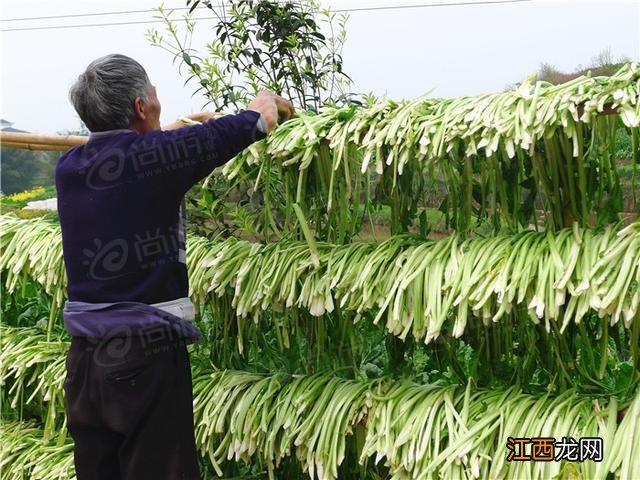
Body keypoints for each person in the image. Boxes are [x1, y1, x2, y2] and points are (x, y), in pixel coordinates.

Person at [56, 53, 294, 480]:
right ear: (140, 107)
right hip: (141, 362)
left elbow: (134, 156)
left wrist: (173, 131)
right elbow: (255, 120)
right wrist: (265, 103)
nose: (157, 99)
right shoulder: (157, 158)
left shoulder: (70, 167)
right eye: (153, 92)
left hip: (86, 366)